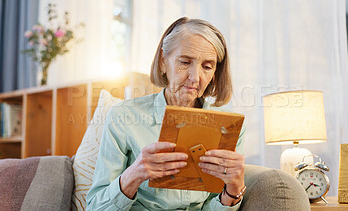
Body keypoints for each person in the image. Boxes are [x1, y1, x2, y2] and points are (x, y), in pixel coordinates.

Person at [86, 17, 246, 210]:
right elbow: (96, 207)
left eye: (207, 66)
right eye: (185, 62)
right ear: (163, 62)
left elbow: (213, 204)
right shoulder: (123, 116)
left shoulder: (229, 126)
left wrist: (233, 189)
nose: (195, 78)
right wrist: (135, 174)